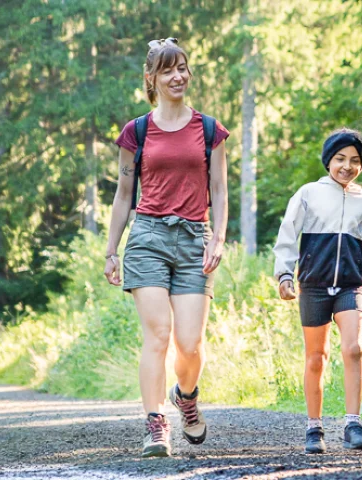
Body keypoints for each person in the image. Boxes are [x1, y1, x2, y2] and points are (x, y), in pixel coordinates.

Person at [102, 38, 230, 458]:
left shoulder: (209, 129)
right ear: (152, 79)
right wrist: (111, 250)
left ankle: (186, 396)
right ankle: (155, 425)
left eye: (183, 68)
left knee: (190, 343)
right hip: (148, 238)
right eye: (168, 70)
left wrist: (218, 237)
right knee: (158, 335)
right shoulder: (136, 132)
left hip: (195, 238)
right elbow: (123, 195)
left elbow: (220, 190)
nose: (178, 76)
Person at [273, 129, 362, 454]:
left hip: (351, 284)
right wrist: (284, 274)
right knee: (316, 358)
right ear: (328, 161)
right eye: (340, 159)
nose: (347, 166)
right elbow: (287, 235)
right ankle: (314, 427)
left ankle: (353, 423)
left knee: (354, 348)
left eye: (354, 161)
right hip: (314, 285)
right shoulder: (308, 193)